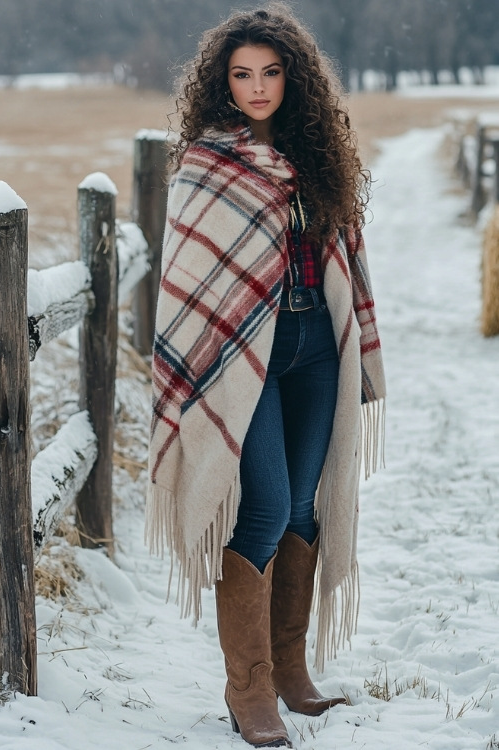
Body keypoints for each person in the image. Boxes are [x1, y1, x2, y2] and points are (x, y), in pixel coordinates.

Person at [146, 5, 386, 748]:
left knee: (305, 508)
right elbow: (189, 282)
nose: (257, 87)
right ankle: (246, 690)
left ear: (294, 78)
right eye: (242, 74)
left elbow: (346, 255)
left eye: (271, 73)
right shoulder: (206, 163)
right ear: (223, 81)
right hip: (239, 357)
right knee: (265, 506)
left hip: (317, 341)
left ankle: (288, 672)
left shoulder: (319, 156)